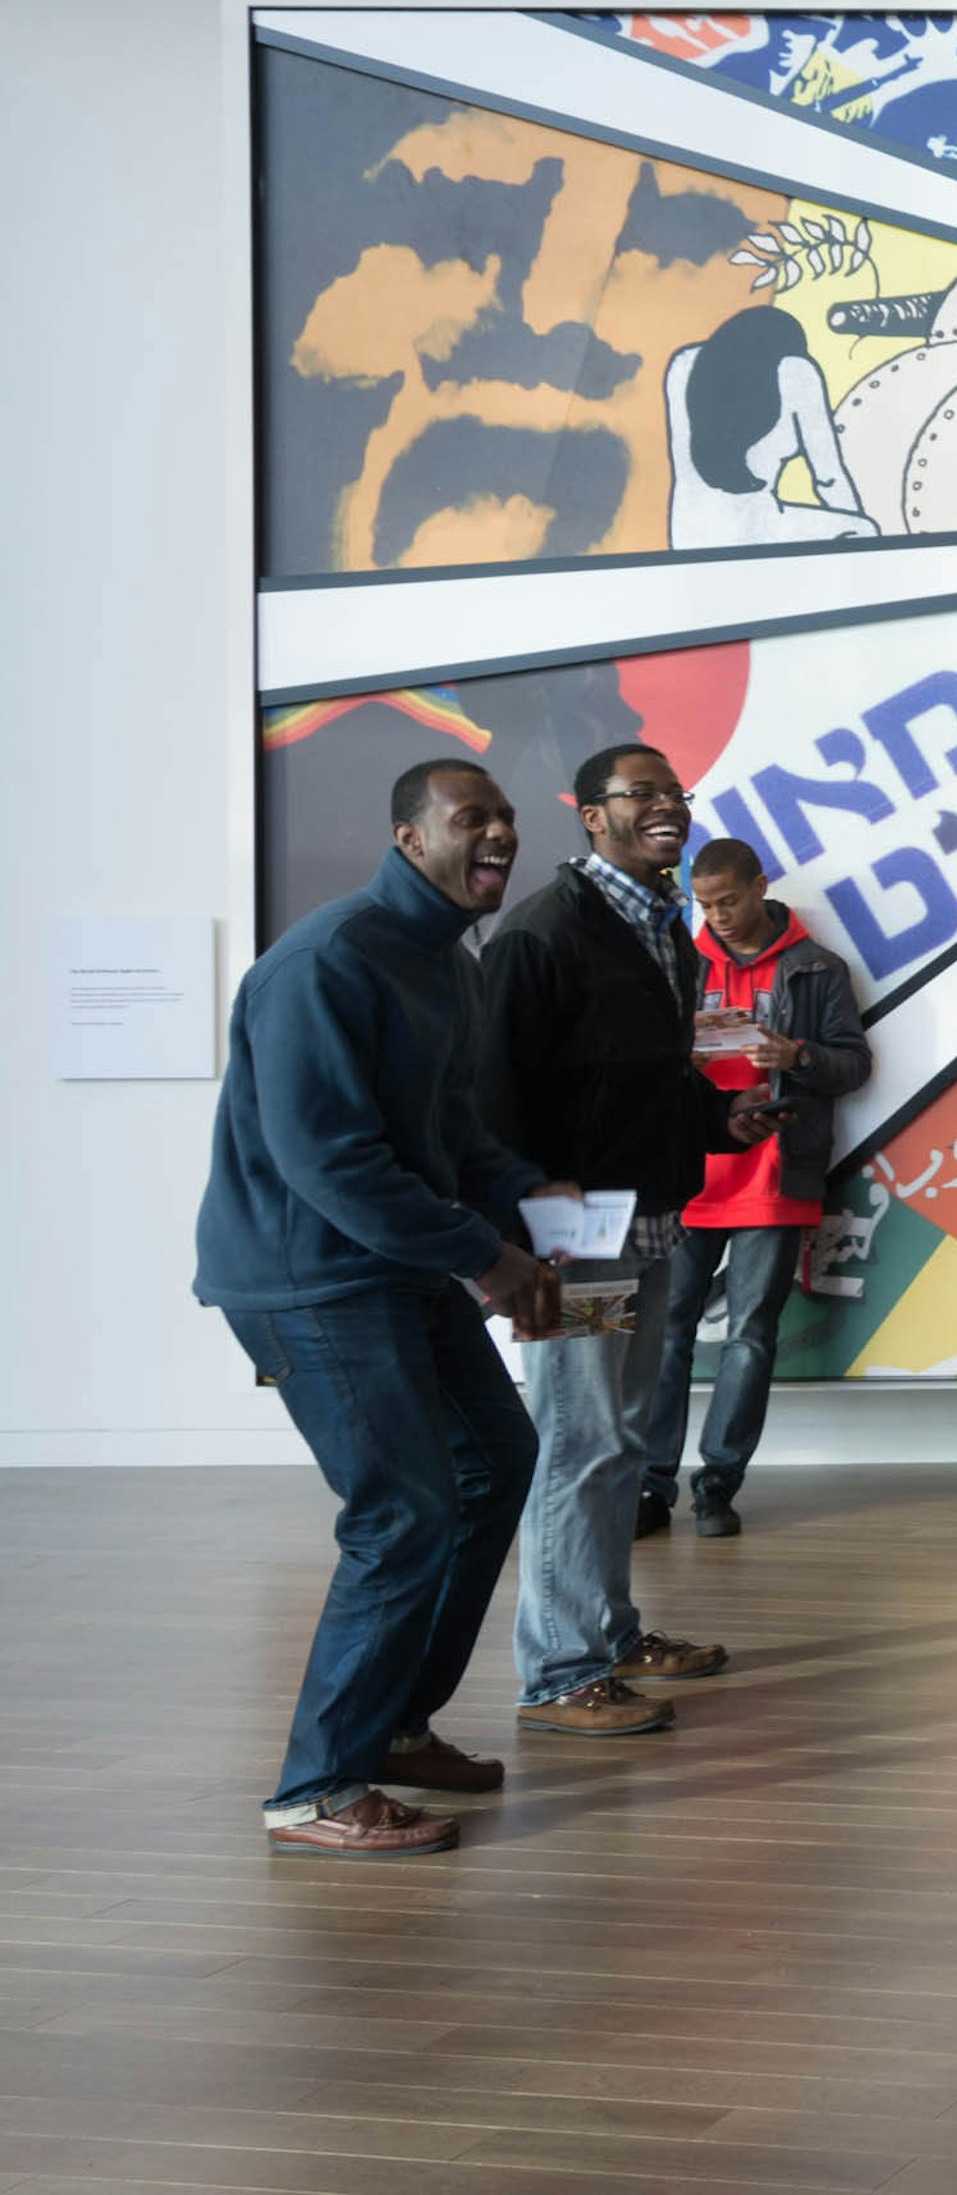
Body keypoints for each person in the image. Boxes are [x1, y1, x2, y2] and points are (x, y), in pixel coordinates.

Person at [196, 760, 561, 1855]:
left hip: (391, 1264)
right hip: (311, 1277)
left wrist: (527, 1191)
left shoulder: (444, 958)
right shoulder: (323, 962)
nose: (497, 833)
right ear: (410, 838)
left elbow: (449, 1138)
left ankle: (397, 1723)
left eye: (503, 817)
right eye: (469, 819)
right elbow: (335, 1166)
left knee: (497, 1458)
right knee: (401, 1513)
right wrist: (489, 1257)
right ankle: (317, 1785)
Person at [476, 744, 765, 1739]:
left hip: (646, 1222)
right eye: (640, 794)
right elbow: (492, 1096)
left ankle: (608, 1629)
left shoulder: (663, 926)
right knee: (581, 1438)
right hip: (574, 1242)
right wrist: (521, 1233)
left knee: (622, 1436)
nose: (666, 808)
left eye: (673, 793)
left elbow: (646, 1077)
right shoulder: (544, 932)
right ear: (589, 815)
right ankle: (559, 1669)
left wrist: (715, 1125)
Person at [642, 839, 870, 1539]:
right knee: (663, 1333)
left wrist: (795, 1055)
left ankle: (718, 1483)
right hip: (687, 1172)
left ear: (759, 887)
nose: (719, 917)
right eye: (706, 905)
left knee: (749, 1335)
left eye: (729, 901)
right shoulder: (675, 959)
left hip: (774, 1173)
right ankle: (651, 1486)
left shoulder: (816, 968)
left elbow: (854, 1064)